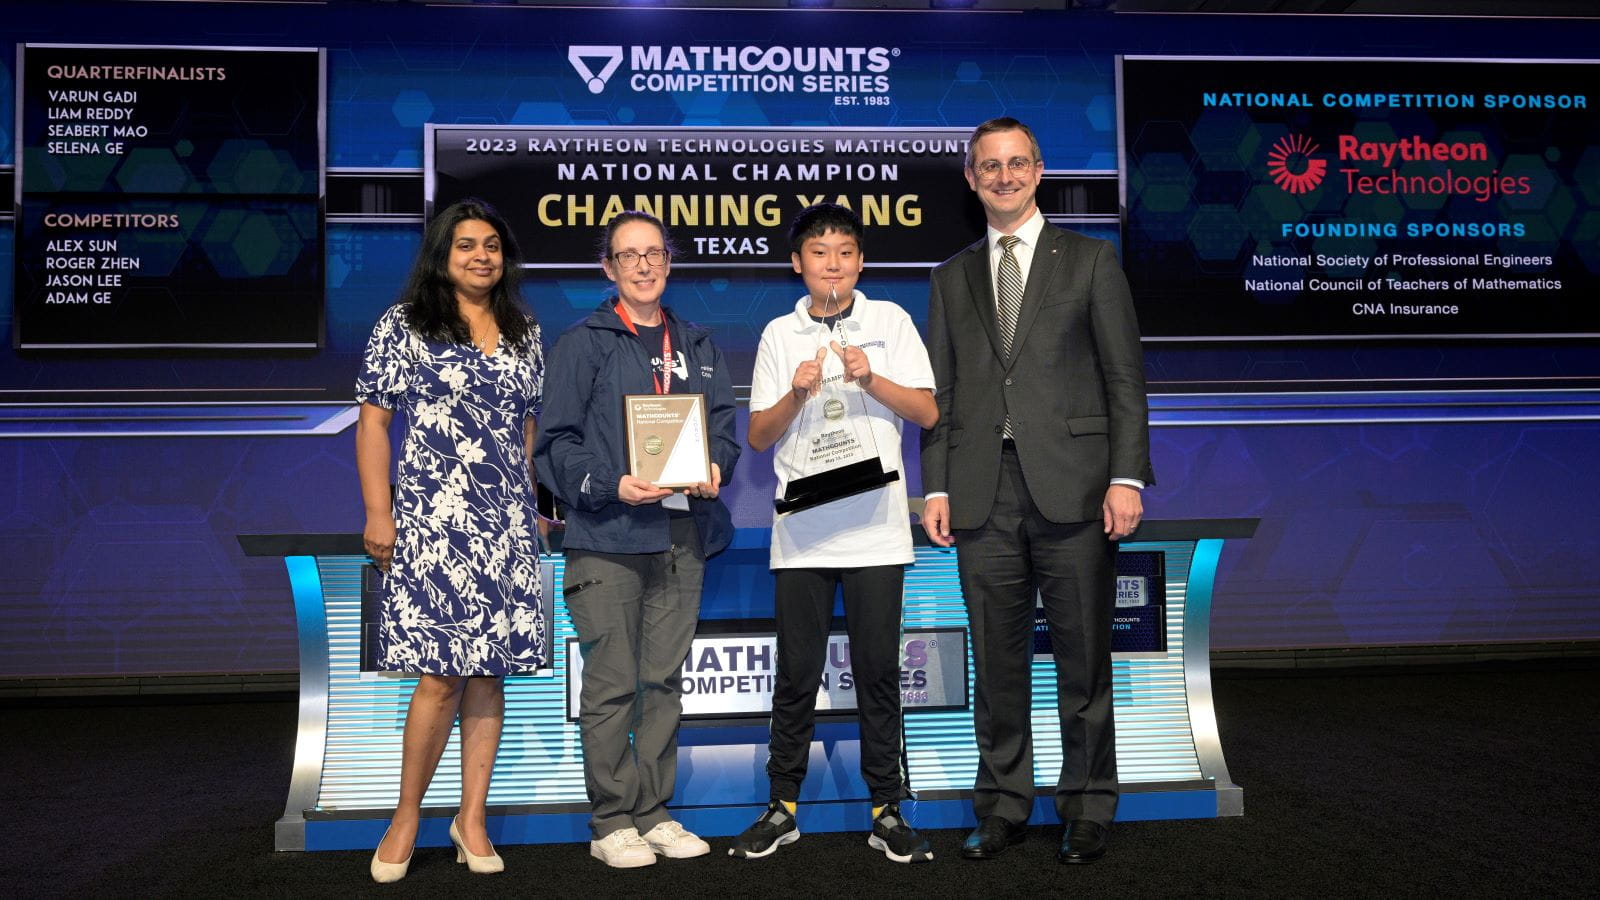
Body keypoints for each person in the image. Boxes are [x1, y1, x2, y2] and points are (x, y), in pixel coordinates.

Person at [919, 117, 1154, 865]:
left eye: (1018, 163)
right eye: (990, 166)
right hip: (982, 493)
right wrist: (935, 488)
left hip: (1078, 491)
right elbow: (942, 393)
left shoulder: (1090, 261)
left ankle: (1086, 804)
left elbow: (1124, 378)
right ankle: (1003, 805)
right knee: (996, 663)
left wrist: (1125, 475)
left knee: (1085, 661)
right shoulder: (949, 276)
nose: (1005, 176)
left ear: (1040, 169)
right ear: (970, 178)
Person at [731, 204, 939, 864]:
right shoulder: (777, 333)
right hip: (802, 532)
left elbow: (930, 410)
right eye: (819, 254)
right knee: (796, 674)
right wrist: (796, 393)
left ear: (859, 262)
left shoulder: (890, 323)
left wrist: (870, 377)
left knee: (880, 673)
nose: (833, 264)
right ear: (799, 264)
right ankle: (782, 806)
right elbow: (759, 438)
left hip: (877, 531)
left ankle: (887, 808)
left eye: (845, 252)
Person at [533, 211, 740, 868]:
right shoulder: (583, 344)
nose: (644, 265)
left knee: (664, 682)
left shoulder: (699, 345)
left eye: (654, 253)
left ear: (669, 262)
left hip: (682, 534)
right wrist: (608, 483)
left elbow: (727, 433)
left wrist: (716, 468)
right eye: (629, 255)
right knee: (613, 684)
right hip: (608, 536)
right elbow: (553, 447)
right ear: (609, 268)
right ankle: (611, 819)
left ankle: (653, 811)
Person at [355, 198, 545, 882]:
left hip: (506, 527)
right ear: (443, 253)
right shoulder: (403, 325)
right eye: (466, 245)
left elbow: (524, 427)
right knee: (439, 676)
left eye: (492, 245)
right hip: (433, 526)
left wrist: (535, 505)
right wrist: (381, 513)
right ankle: (406, 816)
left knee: (489, 673)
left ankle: (472, 819)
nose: (481, 256)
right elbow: (375, 423)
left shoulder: (524, 330)